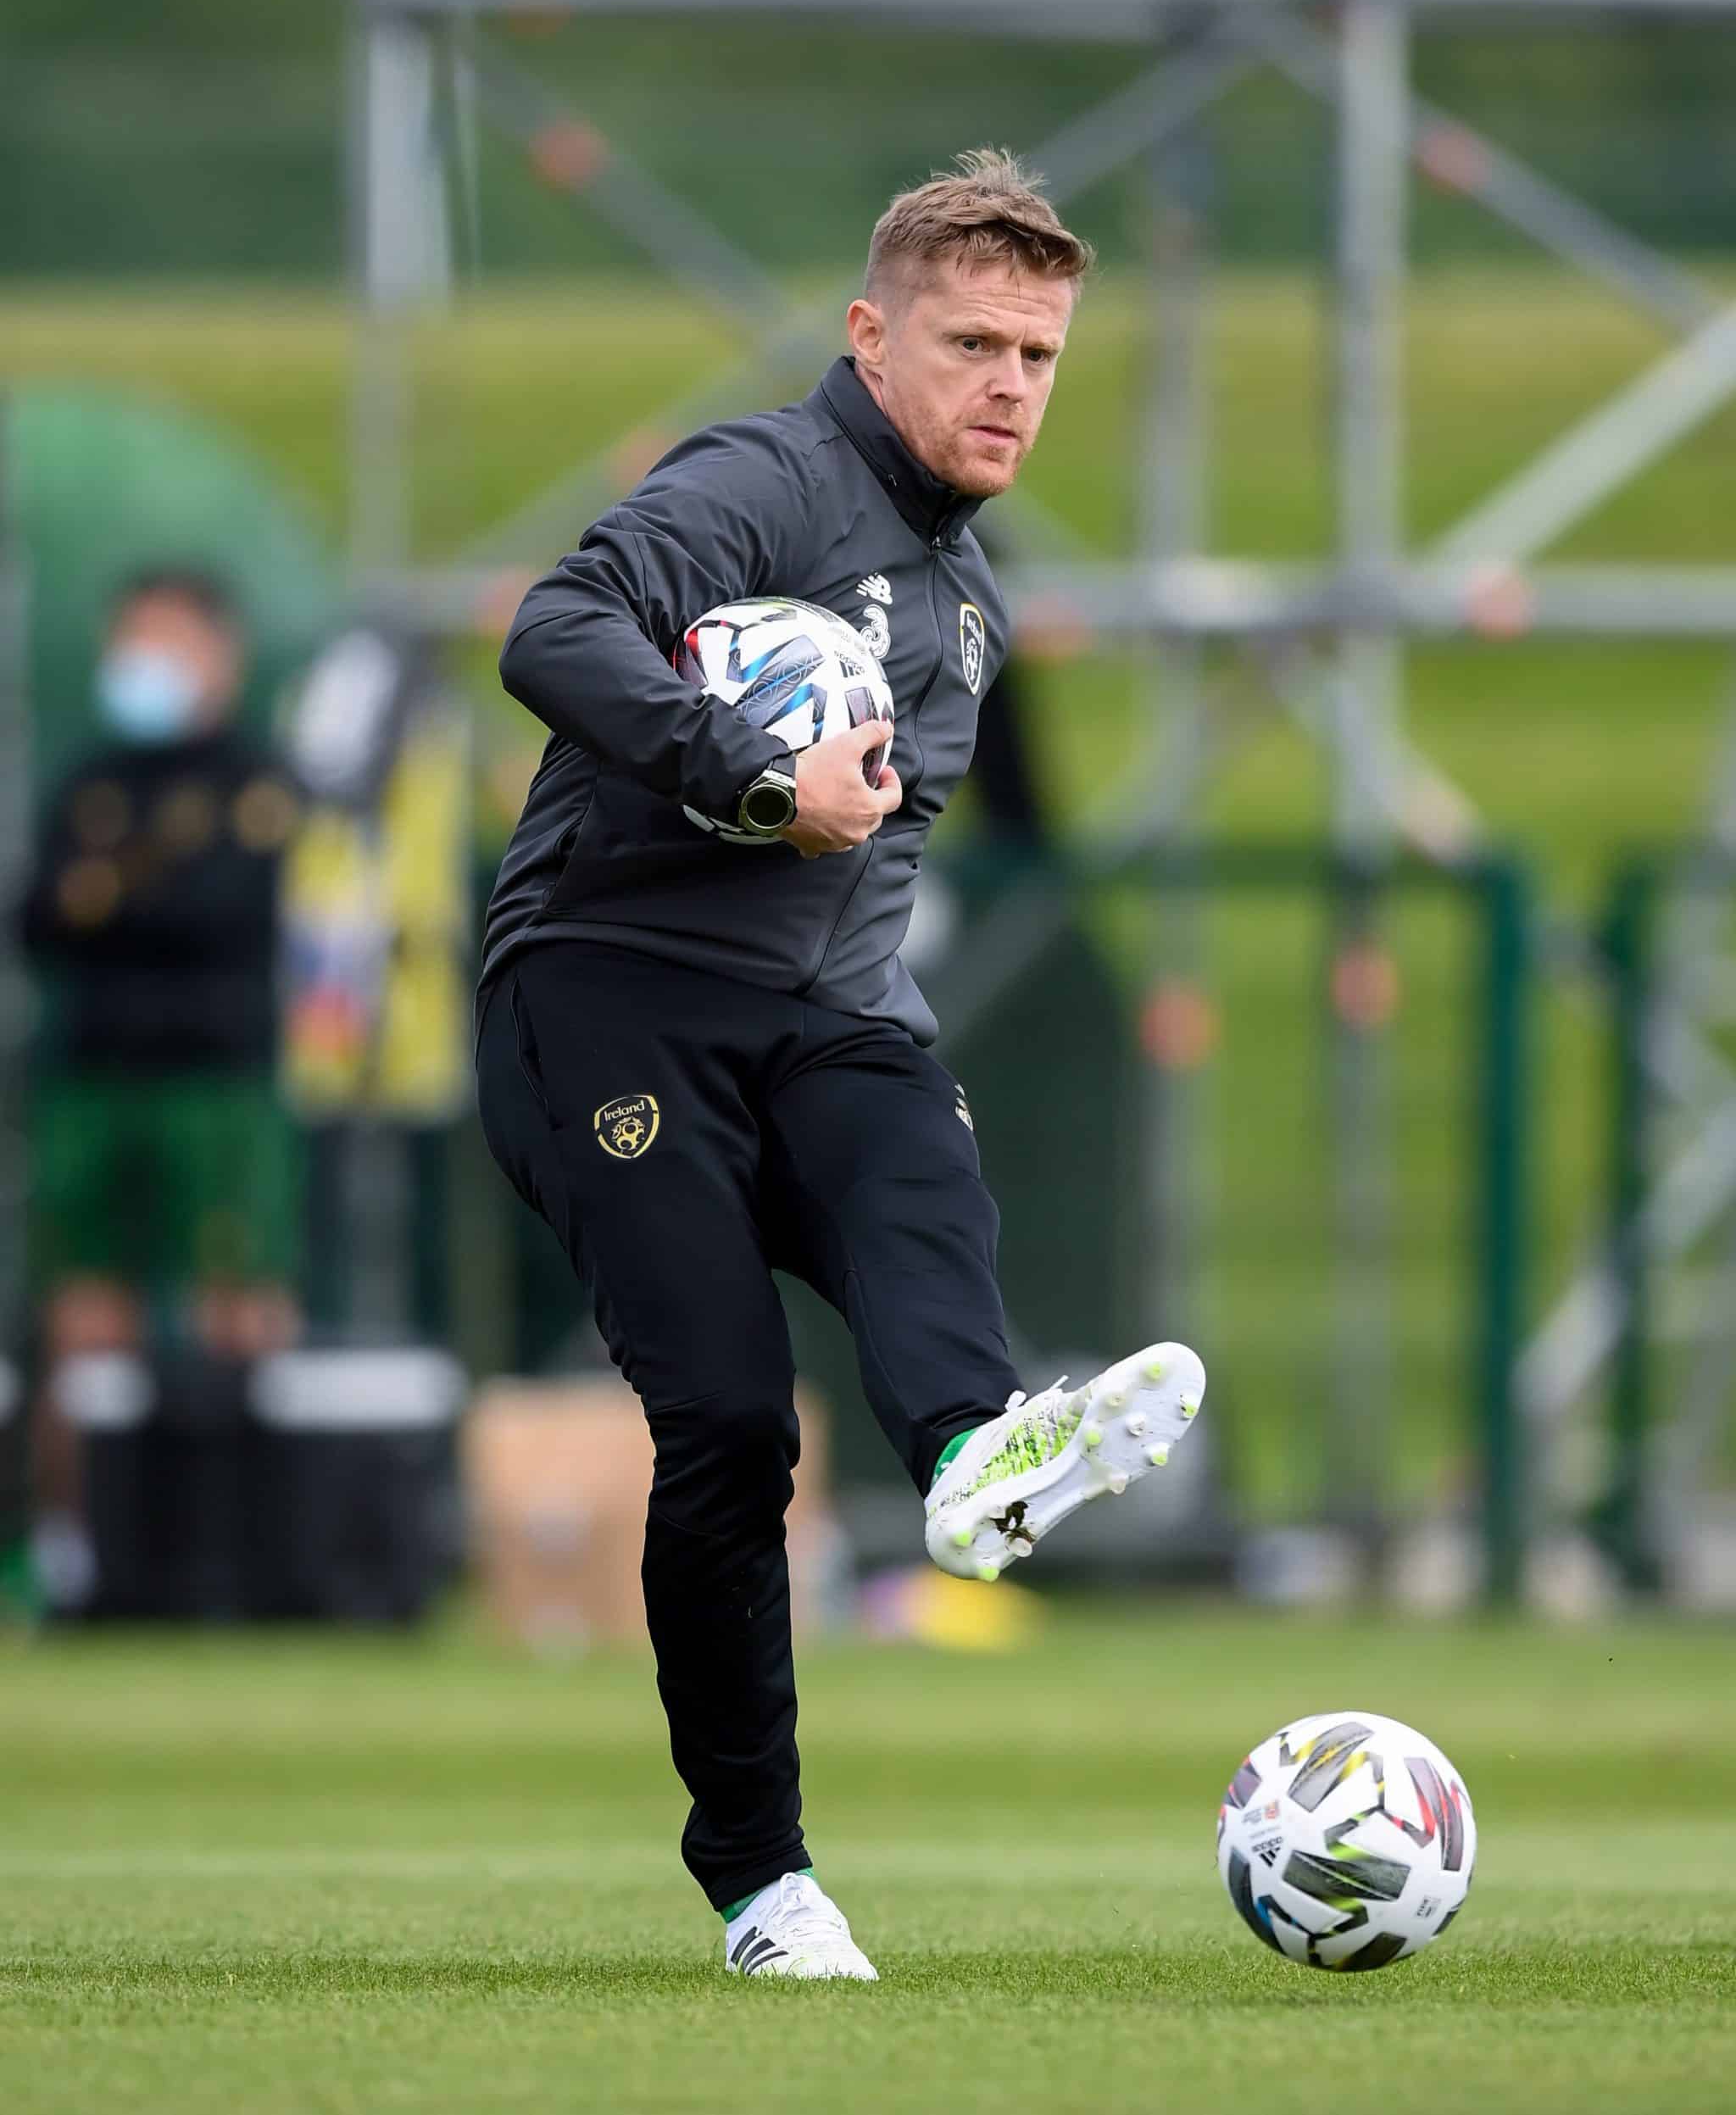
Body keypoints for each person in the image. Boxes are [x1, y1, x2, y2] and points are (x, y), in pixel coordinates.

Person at [476, 150, 1207, 1979]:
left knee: (905, 1122)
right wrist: (739, 765)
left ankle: (974, 1449)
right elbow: (551, 632)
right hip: (604, 991)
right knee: (724, 1418)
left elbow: (865, 878)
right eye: (972, 341)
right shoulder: (757, 477)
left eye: (1040, 354)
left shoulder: (967, 606)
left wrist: (879, 1051)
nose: (1009, 386)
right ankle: (760, 1880)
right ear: (870, 336)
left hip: (813, 1006)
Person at [19, 568, 303, 1601]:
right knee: (86, 1320)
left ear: (218, 656)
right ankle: (76, 1560)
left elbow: (226, 912)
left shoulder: (255, 781)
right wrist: (129, 901)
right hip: (94, 1081)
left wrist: (114, 901)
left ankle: (247, 1551)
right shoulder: (88, 778)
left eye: (169, 641)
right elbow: (40, 917)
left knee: (239, 1311)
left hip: (217, 1085)